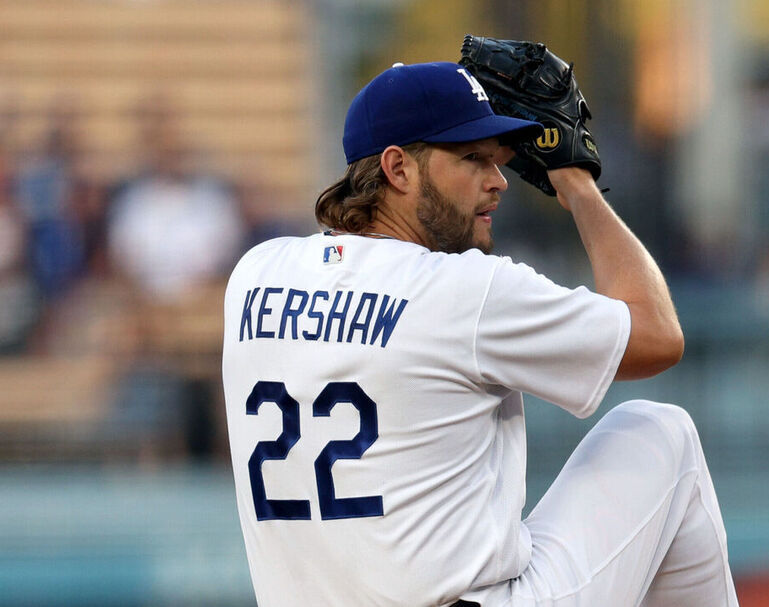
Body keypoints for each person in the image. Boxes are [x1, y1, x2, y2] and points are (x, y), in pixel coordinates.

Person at [222, 61, 738, 607]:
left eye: (497, 160)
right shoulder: (461, 290)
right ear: (398, 168)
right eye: (472, 159)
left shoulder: (255, 275)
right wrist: (578, 186)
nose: (498, 181)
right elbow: (658, 335)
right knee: (661, 429)